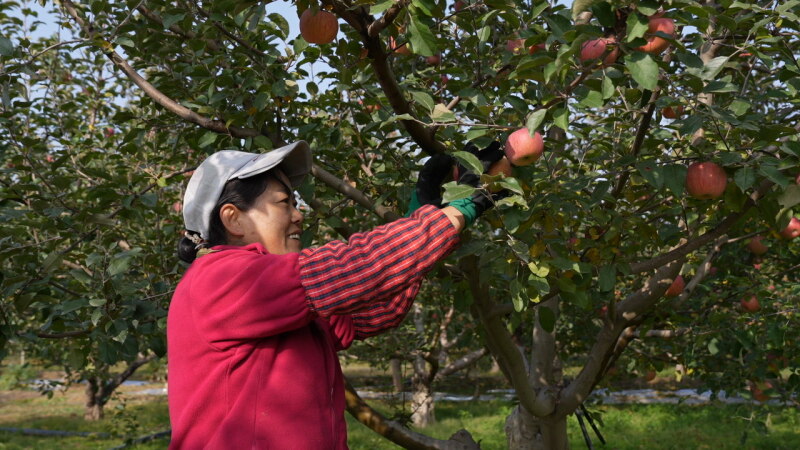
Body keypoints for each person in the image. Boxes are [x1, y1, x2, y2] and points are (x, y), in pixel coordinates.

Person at [167, 140, 505, 449]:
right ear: (233, 219)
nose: (298, 215)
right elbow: (355, 268)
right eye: (284, 203)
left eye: (295, 203)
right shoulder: (220, 279)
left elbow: (375, 308)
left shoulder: (283, 304)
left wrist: (424, 215)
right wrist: (452, 214)